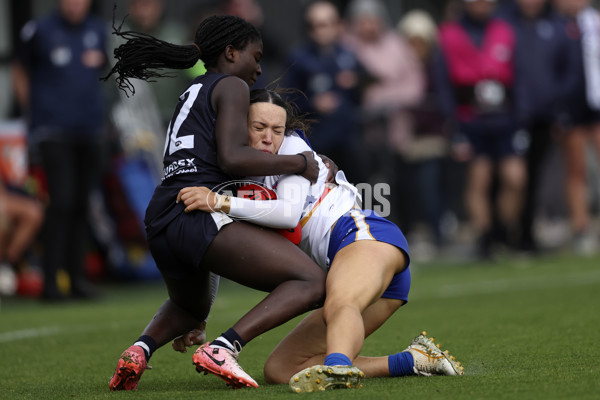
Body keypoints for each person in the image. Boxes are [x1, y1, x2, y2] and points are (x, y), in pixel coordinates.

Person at [176, 88, 464, 392]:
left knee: (340, 304)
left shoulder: (291, 147)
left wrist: (218, 201)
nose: (268, 138)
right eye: (258, 127)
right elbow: (216, 248)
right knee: (281, 368)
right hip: (349, 266)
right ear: (236, 125)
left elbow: (287, 215)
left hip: (360, 236)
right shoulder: (231, 168)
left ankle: (339, 369)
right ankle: (415, 361)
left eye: (276, 129)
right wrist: (199, 316)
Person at [102, 15, 327, 391]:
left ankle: (140, 349)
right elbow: (232, 158)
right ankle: (225, 347)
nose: (258, 68)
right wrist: (300, 163)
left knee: (191, 309)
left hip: (162, 215)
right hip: (196, 209)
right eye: (255, 57)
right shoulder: (232, 85)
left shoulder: (193, 89)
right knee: (310, 281)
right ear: (231, 52)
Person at [12, 0, 109, 300]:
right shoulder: (39, 30)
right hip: (54, 131)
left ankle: (77, 279)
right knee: (61, 202)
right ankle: (51, 282)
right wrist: (35, 113)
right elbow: (19, 71)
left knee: (82, 204)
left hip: (90, 130)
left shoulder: (98, 29)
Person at [433, 0, 528, 259]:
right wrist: (453, 123)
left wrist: (521, 116)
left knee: (515, 178)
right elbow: (443, 84)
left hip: (504, 118)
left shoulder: (504, 30)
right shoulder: (449, 34)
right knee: (480, 179)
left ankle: (504, 232)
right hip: (470, 119)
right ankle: (485, 239)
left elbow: (518, 76)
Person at [498, 0, 573, 253]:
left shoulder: (555, 26)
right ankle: (500, 234)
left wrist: (559, 109)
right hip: (508, 116)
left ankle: (526, 234)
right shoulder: (504, 24)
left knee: (533, 179)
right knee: (509, 178)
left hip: (544, 117)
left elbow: (566, 70)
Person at [283, 0, 367, 183]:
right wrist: (313, 102)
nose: (320, 30)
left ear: (338, 25)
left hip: (348, 139)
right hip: (317, 141)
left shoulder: (348, 55)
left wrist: (356, 83)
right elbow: (287, 101)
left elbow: (362, 95)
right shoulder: (299, 58)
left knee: (358, 189)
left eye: (326, 24)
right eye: (314, 25)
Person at [552, 0, 600, 255]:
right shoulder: (557, 27)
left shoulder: (595, 22)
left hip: (596, 104)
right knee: (576, 169)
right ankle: (581, 227)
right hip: (573, 108)